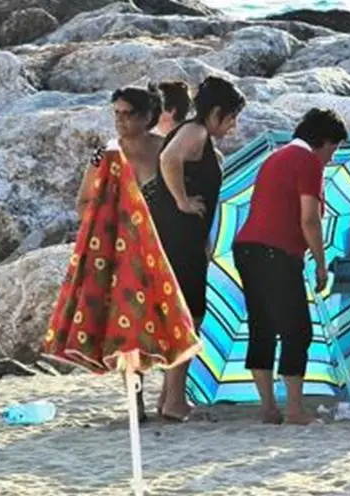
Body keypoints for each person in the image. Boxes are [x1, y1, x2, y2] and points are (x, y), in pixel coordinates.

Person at [45, 85, 201, 421]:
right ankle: (136, 402)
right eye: (116, 113)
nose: (120, 120)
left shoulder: (166, 150)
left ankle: (173, 398)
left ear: (148, 117)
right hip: (122, 252)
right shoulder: (106, 156)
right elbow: (85, 201)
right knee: (126, 324)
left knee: (174, 318)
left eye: (128, 113)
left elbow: (193, 184)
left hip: (166, 247)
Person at [232, 108, 348, 425]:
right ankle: (295, 409)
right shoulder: (308, 161)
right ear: (324, 142)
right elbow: (308, 218)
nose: (331, 158)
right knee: (297, 330)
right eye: (333, 149)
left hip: (247, 247)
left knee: (263, 326)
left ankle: (269, 406)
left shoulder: (276, 157)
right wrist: (321, 264)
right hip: (276, 250)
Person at [144, 75, 245, 422]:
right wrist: (183, 201)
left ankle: (168, 397)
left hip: (184, 238)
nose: (233, 126)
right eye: (231, 118)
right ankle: (174, 400)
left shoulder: (201, 137)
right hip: (177, 236)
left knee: (184, 315)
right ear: (215, 112)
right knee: (189, 316)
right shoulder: (195, 131)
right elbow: (169, 160)